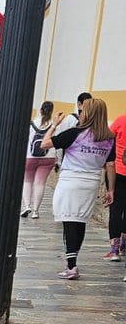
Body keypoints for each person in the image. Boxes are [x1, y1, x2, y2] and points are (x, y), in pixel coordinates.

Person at [42, 95, 115, 279]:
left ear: (87, 112)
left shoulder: (75, 133)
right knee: (80, 221)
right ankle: (72, 262)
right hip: (91, 182)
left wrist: (54, 125)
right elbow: (110, 165)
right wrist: (110, 189)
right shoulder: (108, 138)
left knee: (69, 221)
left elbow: (45, 144)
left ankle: (71, 266)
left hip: (71, 180)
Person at [21, 100, 56, 219]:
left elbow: (25, 141)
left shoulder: (32, 123)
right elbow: (58, 143)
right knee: (40, 183)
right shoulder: (54, 125)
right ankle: (36, 211)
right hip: (49, 157)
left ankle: (27, 206)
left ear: (40, 110)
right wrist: (59, 161)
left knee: (27, 181)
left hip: (30, 156)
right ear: (52, 111)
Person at [109, 107, 126, 264]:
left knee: (115, 209)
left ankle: (114, 250)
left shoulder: (121, 120)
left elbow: (108, 139)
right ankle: (123, 244)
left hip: (118, 171)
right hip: (120, 171)